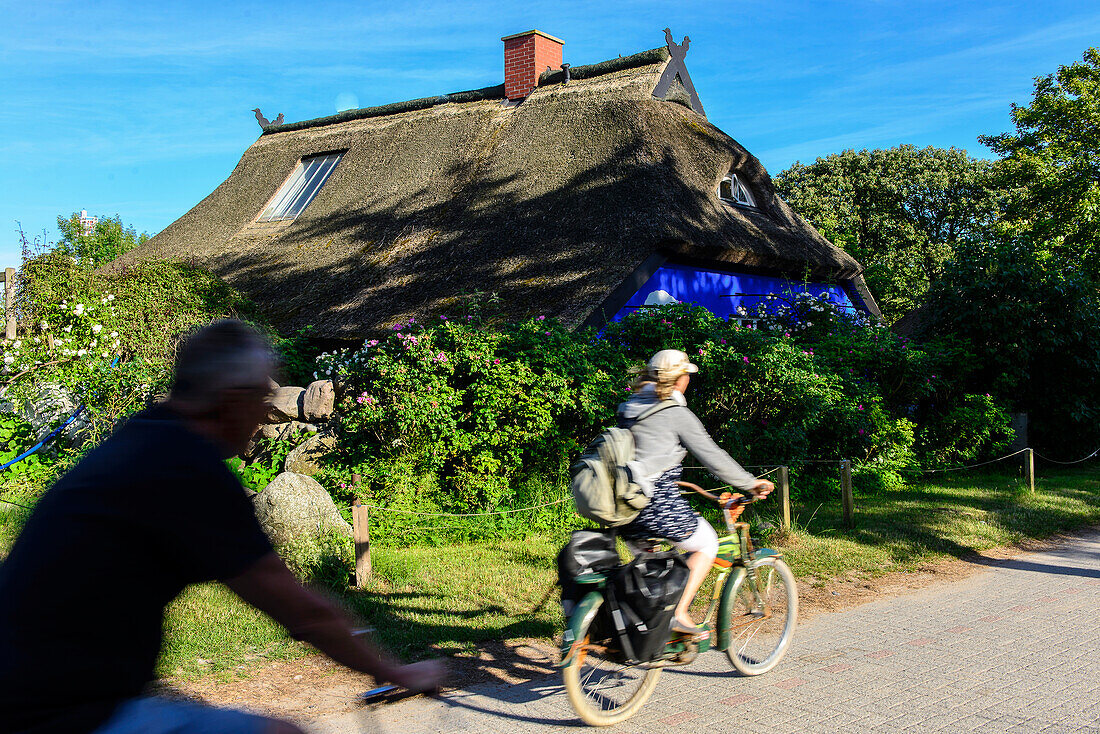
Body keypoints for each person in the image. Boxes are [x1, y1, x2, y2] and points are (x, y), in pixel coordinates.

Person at [0, 320, 443, 734]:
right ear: (231, 400)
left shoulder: (144, 435)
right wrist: (393, 671)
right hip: (56, 713)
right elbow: (301, 611)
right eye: (261, 403)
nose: (262, 419)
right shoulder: (188, 468)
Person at [617, 349, 773, 635]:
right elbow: (711, 455)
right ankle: (678, 612)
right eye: (686, 374)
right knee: (707, 543)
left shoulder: (628, 407)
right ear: (678, 379)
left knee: (655, 565)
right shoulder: (674, 412)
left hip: (624, 507)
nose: (689, 378)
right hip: (656, 505)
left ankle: (647, 626)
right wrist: (751, 483)